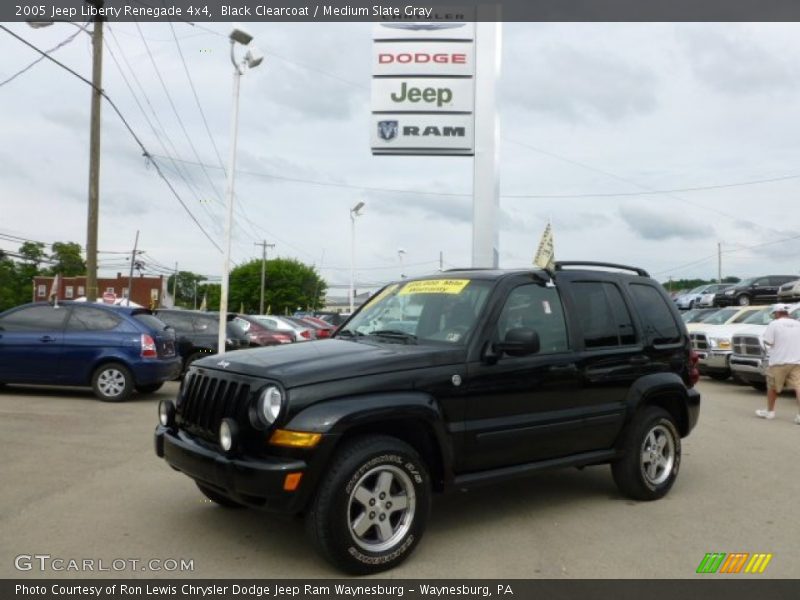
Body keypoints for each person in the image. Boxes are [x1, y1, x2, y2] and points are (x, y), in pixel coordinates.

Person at [755, 303, 800, 423]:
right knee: (798, 387)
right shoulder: (798, 324)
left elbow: (768, 342)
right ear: (787, 313)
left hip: (778, 361)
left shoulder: (774, 324)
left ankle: (770, 412)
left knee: (772, 386)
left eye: (774, 314)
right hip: (797, 361)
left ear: (777, 313)